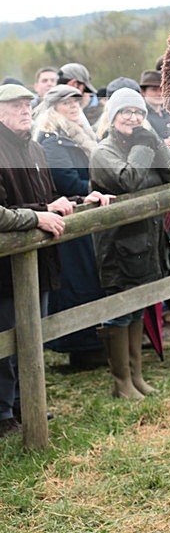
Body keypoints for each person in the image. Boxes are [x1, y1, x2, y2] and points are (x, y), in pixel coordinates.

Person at [89, 87, 170, 399]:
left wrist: (154, 141)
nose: (133, 117)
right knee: (120, 309)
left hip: (148, 243)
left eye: (139, 112)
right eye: (126, 112)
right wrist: (145, 146)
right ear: (113, 116)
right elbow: (128, 180)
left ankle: (136, 377)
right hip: (119, 247)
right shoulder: (103, 151)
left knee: (138, 307)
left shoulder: (144, 141)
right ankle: (121, 382)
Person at [0, 83, 75, 437]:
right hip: (5, 269)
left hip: (40, 263)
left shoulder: (33, 147)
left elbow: (47, 198)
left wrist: (79, 198)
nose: (24, 110)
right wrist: (39, 215)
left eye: (27, 104)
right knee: (8, 341)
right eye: (15, 106)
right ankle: (3, 414)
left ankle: (25, 404)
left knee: (34, 336)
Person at [34, 84, 112, 369]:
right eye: (66, 102)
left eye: (76, 101)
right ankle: (79, 346)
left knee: (88, 279)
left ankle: (92, 344)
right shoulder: (51, 139)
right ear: (53, 107)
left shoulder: (77, 133)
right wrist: (95, 188)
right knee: (75, 283)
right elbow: (64, 180)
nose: (73, 106)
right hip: (69, 219)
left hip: (82, 215)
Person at [139, 69, 170, 145]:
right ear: (143, 92)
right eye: (154, 90)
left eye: (162, 89)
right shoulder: (140, 115)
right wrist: (163, 143)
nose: (159, 94)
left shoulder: (169, 112)